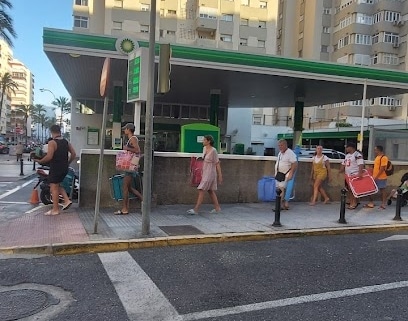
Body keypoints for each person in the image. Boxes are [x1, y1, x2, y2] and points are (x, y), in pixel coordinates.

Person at [36, 125, 76, 215]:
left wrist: (40, 161)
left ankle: (55, 209)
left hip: (56, 167)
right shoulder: (66, 142)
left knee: (53, 188)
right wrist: (68, 162)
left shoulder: (52, 142)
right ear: (60, 131)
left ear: (51, 132)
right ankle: (66, 200)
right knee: (57, 185)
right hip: (64, 167)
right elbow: (73, 153)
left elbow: (49, 156)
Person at [187, 135, 222, 214]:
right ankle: (217, 208)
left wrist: (220, 175)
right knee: (210, 190)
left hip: (210, 173)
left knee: (201, 189)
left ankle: (196, 209)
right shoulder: (204, 149)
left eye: (204, 140)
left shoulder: (213, 151)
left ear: (208, 141)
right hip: (205, 171)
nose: (203, 141)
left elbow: (217, 163)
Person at [114, 123, 143, 215]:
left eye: (125, 129)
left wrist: (127, 148)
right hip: (130, 166)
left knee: (125, 187)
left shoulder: (133, 139)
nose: (124, 130)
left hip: (129, 167)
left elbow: (137, 150)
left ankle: (125, 208)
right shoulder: (131, 139)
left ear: (129, 129)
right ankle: (144, 202)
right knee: (129, 187)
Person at [339, 142, 364, 210]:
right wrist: (340, 170)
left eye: (347, 147)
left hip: (354, 174)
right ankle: (351, 201)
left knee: (353, 190)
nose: (346, 149)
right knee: (349, 189)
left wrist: (360, 173)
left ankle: (354, 203)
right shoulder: (347, 155)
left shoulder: (357, 155)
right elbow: (344, 163)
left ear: (351, 147)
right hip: (348, 175)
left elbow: (361, 164)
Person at [275, 139, 297, 210]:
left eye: (281, 145)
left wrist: (291, 173)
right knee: (278, 189)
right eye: (279, 146)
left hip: (285, 174)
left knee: (281, 189)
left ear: (285, 145)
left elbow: (294, 163)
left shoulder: (290, 153)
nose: (280, 147)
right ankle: (281, 204)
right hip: (279, 174)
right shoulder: (280, 153)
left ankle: (279, 206)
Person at [364, 145, 389, 210]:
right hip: (375, 176)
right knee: (371, 190)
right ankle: (371, 202)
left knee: (382, 190)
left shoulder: (384, 158)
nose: (374, 151)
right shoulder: (377, 157)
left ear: (379, 150)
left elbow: (382, 169)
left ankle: (383, 204)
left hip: (381, 177)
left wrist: (376, 177)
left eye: (375, 150)